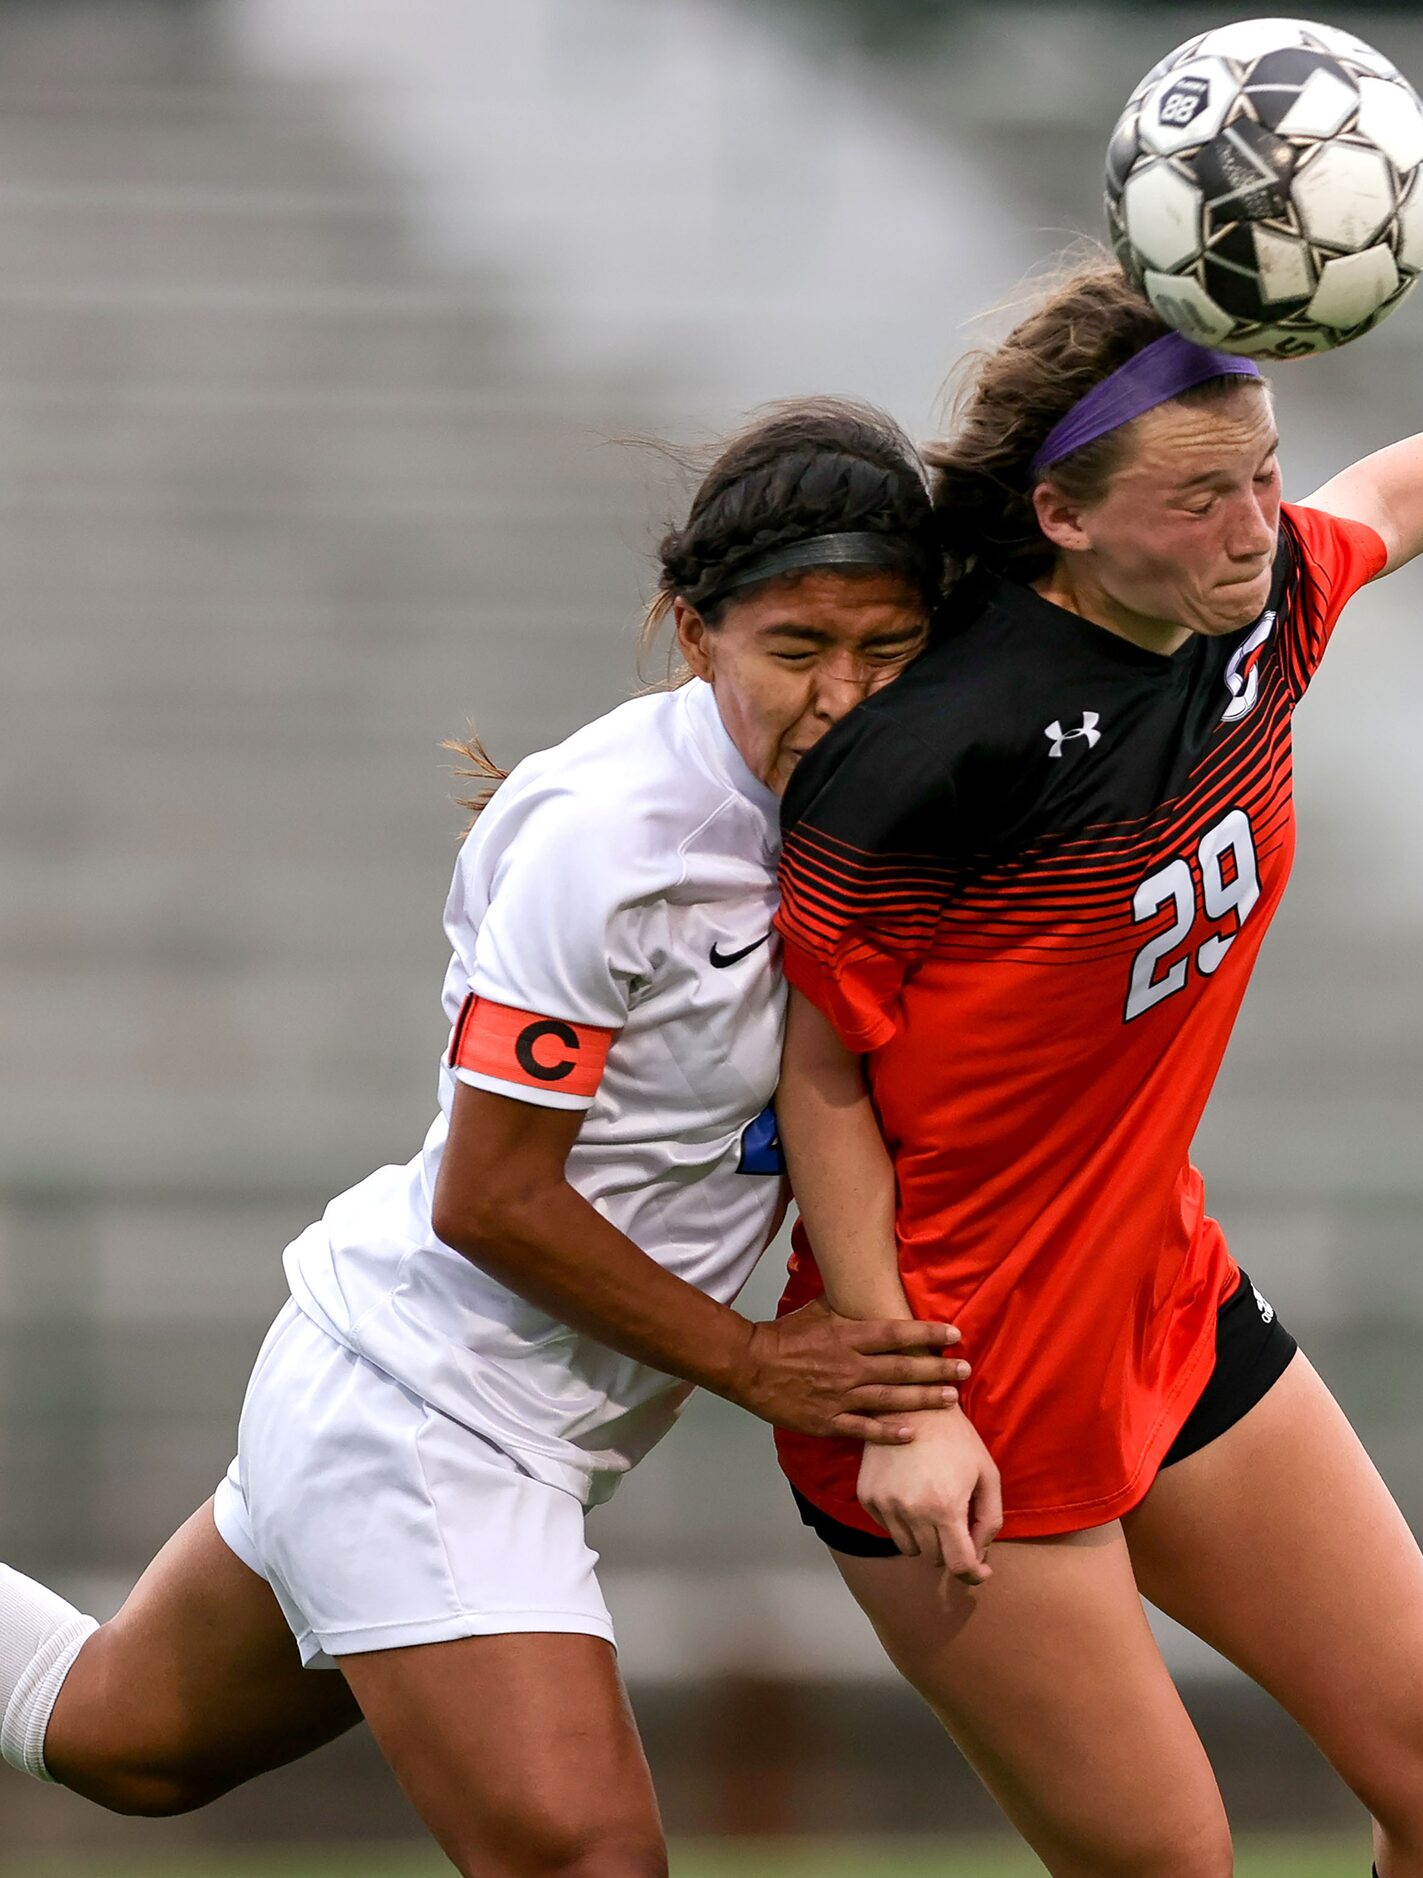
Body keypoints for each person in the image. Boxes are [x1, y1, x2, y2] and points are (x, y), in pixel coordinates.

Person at [771, 227, 1423, 1878]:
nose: (1256, 526)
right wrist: (902, 1399)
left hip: (1162, 1303)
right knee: (1175, 1858)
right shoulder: (936, 747)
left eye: (1264, 476)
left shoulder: (1249, 614)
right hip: (956, 1381)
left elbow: (1387, 501)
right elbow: (819, 1074)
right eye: (1202, 495)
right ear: (1064, 515)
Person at [0, 399, 970, 1878]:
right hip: (423, 1406)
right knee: (594, 1861)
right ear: (693, 629)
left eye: (885, 651)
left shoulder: (871, 809)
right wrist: (760, 1362)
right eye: (797, 648)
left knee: (120, 1737)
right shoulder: (611, 837)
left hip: (495, 1411)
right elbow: (490, 1196)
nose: (843, 691)